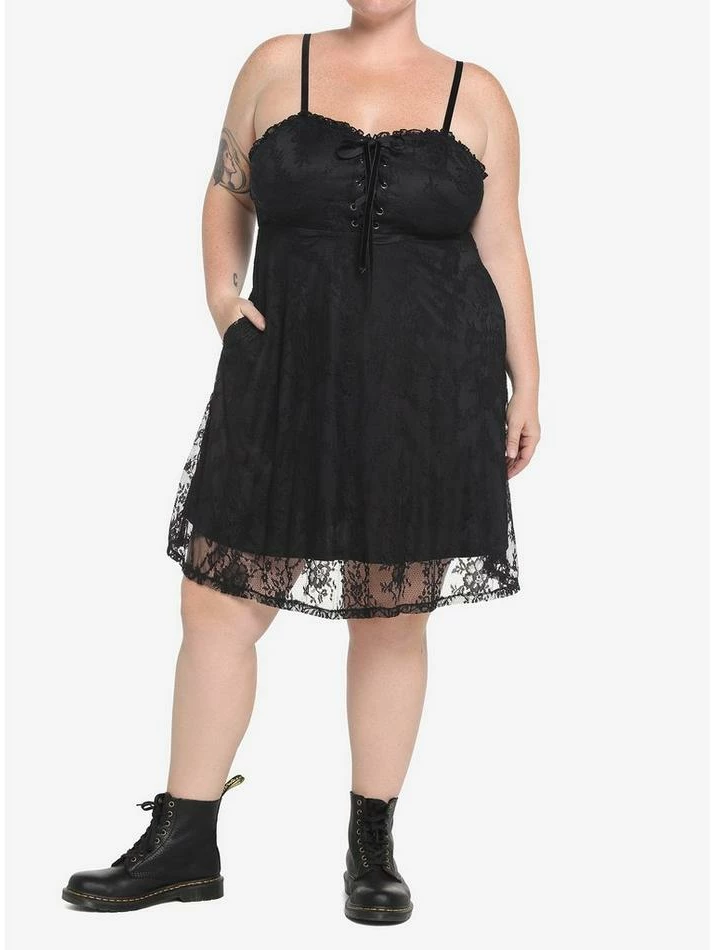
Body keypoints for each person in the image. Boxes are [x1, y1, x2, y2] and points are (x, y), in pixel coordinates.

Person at [62, 0, 540, 925]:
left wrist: (529, 382)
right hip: (282, 371)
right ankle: (185, 842)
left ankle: (372, 850)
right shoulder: (277, 64)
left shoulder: (477, 93)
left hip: (427, 386)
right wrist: (220, 292)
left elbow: (504, 240)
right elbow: (227, 191)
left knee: (391, 615)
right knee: (216, 605)